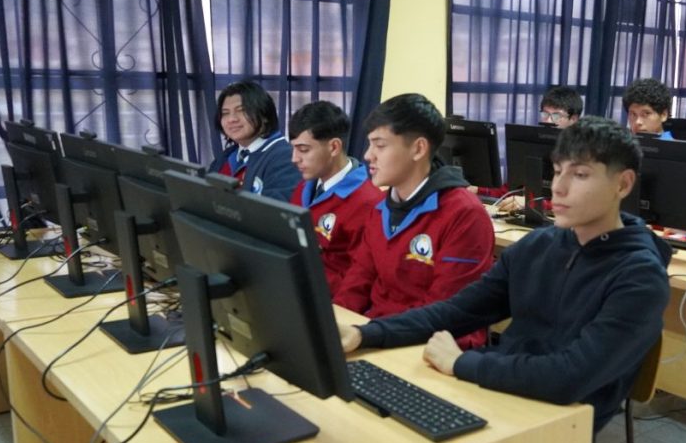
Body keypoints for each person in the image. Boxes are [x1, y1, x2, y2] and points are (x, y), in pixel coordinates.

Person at [337, 116, 672, 435]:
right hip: (495, 394)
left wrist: (462, 364)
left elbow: (570, 376)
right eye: (557, 172)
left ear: (623, 184)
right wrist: (367, 334)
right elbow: (458, 311)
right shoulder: (539, 245)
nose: (559, 187)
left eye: (580, 175)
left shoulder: (640, 277)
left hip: (557, 426)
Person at [334, 93, 495, 348]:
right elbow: (357, 282)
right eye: (369, 144)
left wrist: (372, 334)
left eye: (380, 145)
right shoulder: (381, 209)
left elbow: (444, 313)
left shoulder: (464, 215)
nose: (367, 155)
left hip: (431, 348)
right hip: (377, 336)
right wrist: (332, 326)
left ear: (418, 148)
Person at [288, 100, 384, 293]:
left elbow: (360, 276)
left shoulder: (368, 202)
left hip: (330, 302)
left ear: (333, 147)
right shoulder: (304, 188)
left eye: (303, 150)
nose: (294, 158)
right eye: (294, 148)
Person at [471, 85, 584, 202]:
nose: (548, 121)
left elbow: (576, 203)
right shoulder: (533, 146)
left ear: (574, 119)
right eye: (545, 114)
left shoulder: (583, 155)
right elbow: (513, 189)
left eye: (556, 116)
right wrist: (478, 190)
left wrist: (529, 204)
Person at [209, 80, 300, 200]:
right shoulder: (227, 156)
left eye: (241, 110)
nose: (231, 119)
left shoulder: (286, 157)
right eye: (225, 113)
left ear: (265, 115)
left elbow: (275, 212)